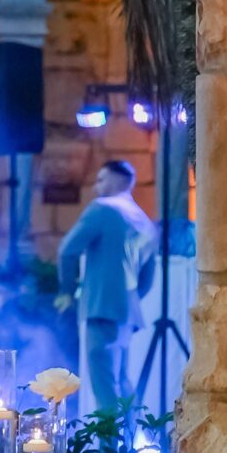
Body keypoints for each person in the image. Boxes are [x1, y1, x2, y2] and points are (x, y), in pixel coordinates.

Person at [56, 160, 158, 418]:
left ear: (117, 181)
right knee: (123, 384)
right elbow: (147, 279)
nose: (96, 186)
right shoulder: (144, 221)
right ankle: (130, 449)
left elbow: (68, 250)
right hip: (127, 313)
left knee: (105, 390)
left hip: (100, 308)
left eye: (101, 180)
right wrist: (127, 300)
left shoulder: (102, 210)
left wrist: (67, 291)